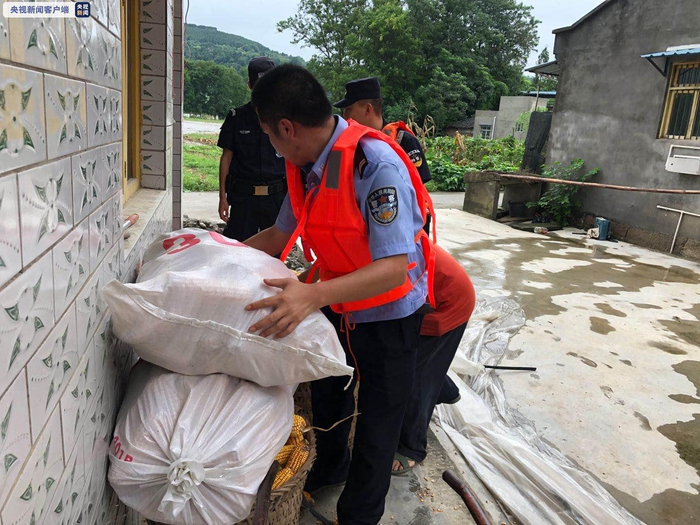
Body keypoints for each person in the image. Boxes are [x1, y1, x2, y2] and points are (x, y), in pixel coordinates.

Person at [243, 64, 435, 525]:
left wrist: (310, 296)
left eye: (269, 135)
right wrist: (213, 255)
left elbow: (393, 269)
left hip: (390, 313)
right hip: (338, 300)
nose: (272, 146)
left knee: (377, 424)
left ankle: (358, 516)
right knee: (329, 392)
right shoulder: (306, 167)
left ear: (286, 128)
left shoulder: (374, 165)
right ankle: (330, 469)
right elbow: (279, 235)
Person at [391, 244, 476, 474]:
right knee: (426, 359)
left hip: (447, 302)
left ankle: (412, 448)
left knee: (415, 375)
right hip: (435, 293)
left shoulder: (386, 243)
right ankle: (445, 390)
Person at [216, 57, 287, 241]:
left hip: (276, 199)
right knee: (240, 248)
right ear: (249, 85)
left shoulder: (285, 119)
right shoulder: (236, 117)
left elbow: (294, 158)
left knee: (274, 252)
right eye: (258, 87)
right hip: (243, 199)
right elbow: (226, 158)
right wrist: (222, 197)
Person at [334, 77, 431, 185]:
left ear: (368, 109)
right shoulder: (346, 144)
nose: (344, 115)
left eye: (349, 109)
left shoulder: (404, 141)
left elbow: (418, 188)